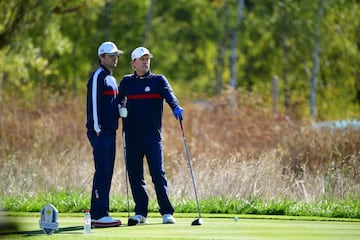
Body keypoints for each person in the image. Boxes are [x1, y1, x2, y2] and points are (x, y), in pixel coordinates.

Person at [118, 47, 184, 226]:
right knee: (135, 175)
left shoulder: (158, 81)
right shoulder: (126, 82)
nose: (146, 62)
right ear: (133, 63)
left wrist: (175, 107)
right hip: (131, 137)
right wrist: (120, 107)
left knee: (157, 173)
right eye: (142, 59)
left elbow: (170, 96)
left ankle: (167, 212)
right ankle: (140, 212)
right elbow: (119, 100)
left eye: (147, 59)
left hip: (152, 137)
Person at [86, 41, 124, 227]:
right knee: (102, 171)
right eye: (111, 56)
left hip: (110, 131)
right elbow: (93, 103)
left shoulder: (111, 78)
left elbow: (110, 104)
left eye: (116, 55)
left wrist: (120, 110)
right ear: (101, 57)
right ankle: (100, 214)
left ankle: (98, 213)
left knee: (106, 171)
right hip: (100, 132)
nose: (115, 58)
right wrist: (97, 128)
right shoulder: (98, 76)